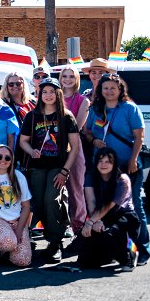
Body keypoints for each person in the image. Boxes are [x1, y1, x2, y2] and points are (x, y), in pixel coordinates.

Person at [83, 73, 150, 265]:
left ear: (121, 89)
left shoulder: (130, 108)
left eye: (113, 87)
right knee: (105, 207)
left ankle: (141, 249)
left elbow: (139, 137)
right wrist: (94, 140)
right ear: (100, 90)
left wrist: (133, 160)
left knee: (134, 207)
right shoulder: (96, 109)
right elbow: (87, 133)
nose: (109, 91)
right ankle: (114, 249)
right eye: (105, 88)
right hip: (102, 167)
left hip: (126, 165)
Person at [17, 77, 80, 262]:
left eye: (52, 91)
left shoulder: (66, 116)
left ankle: (55, 243)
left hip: (58, 167)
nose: (48, 95)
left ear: (58, 93)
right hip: (37, 167)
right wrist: (31, 151)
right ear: (40, 94)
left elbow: (75, 147)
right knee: (39, 203)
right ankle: (46, 239)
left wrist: (64, 172)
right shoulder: (32, 116)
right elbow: (23, 141)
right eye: (44, 91)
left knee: (51, 200)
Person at [78, 148, 141, 271]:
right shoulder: (90, 177)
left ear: (114, 163)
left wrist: (90, 222)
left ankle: (129, 255)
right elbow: (91, 203)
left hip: (124, 217)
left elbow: (109, 205)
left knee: (107, 232)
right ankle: (109, 255)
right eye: (100, 161)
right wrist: (94, 221)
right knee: (86, 262)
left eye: (108, 161)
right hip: (100, 215)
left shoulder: (122, 180)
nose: (103, 164)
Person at [59, 64, 88, 233]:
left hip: (74, 148)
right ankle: (61, 227)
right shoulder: (52, 96)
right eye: (64, 76)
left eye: (71, 76)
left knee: (76, 188)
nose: (67, 79)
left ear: (76, 79)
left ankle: (79, 226)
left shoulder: (83, 101)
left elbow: (76, 127)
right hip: (52, 149)